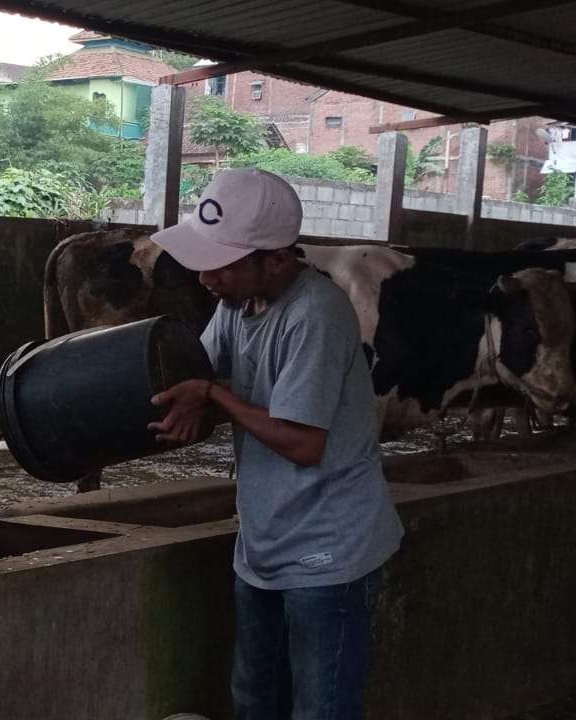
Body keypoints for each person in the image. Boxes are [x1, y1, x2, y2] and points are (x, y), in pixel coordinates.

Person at [148, 168, 403, 720]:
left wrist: (213, 394)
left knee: (320, 707)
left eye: (223, 264)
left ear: (278, 260)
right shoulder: (236, 304)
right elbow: (202, 368)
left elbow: (302, 442)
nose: (206, 276)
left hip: (328, 553)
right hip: (265, 542)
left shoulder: (316, 313)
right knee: (256, 700)